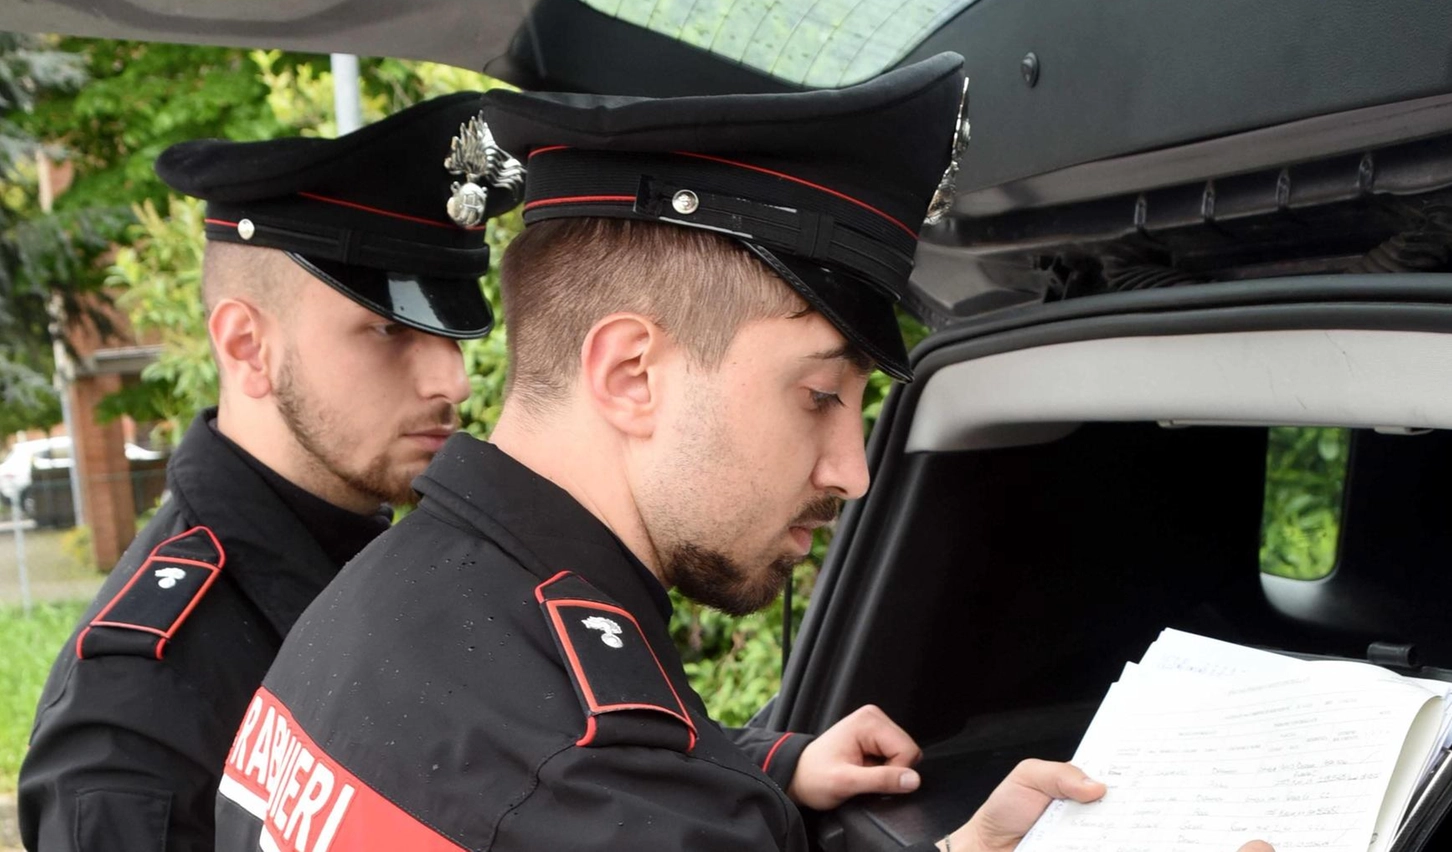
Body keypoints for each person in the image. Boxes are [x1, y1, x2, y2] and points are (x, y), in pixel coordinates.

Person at [213, 56, 1272, 852]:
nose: (853, 471)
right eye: (818, 395)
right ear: (631, 373)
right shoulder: (587, 779)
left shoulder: (389, 605)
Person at [19, 91, 520, 852]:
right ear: (247, 346)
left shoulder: (415, 575)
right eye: (388, 328)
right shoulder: (143, 704)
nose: (452, 382)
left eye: (452, 335)